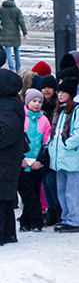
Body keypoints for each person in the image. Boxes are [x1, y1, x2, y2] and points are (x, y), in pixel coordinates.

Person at [47, 72, 79, 233]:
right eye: (59, 92)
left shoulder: (77, 111)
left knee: (73, 191)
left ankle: (74, 219)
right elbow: (54, 133)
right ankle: (66, 218)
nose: (60, 95)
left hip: (71, 158)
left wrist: (66, 145)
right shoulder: (59, 111)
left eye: (63, 92)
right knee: (62, 191)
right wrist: (52, 147)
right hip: (59, 159)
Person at [18, 88, 51, 232]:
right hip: (22, 163)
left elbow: (47, 143)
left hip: (36, 164)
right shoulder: (21, 118)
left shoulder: (44, 120)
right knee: (28, 194)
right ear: (27, 102)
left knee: (35, 192)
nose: (37, 104)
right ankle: (36, 221)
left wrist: (40, 161)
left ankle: (26, 222)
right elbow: (17, 140)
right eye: (34, 101)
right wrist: (20, 159)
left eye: (39, 101)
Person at [0, 59, 23, 244]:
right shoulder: (10, 100)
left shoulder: (7, 104)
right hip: (9, 159)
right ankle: (8, 234)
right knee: (5, 199)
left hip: (5, 160)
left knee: (2, 199)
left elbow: (7, 132)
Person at [36, 74, 60, 226]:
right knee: (45, 180)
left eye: (49, 87)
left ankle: (57, 209)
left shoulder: (57, 106)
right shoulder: (40, 105)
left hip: (54, 147)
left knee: (51, 179)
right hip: (42, 147)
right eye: (44, 87)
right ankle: (51, 210)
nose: (46, 90)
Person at [0, 0, 27, 72]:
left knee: (8, 50)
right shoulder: (17, 10)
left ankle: (11, 67)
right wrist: (24, 32)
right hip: (15, 34)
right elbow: (21, 22)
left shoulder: (1, 10)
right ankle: (18, 67)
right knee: (16, 51)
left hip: (4, 33)